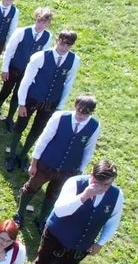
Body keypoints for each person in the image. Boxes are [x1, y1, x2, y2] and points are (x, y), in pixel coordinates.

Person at [21, 160, 123, 264]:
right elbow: (60, 211)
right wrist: (84, 196)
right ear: (91, 175)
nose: (102, 188)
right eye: (98, 182)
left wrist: (100, 242)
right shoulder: (75, 183)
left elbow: (113, 220)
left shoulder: (116, 195)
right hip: (57, 235)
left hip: (82, 242)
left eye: (106, 184)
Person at [15, 95, 99, 227]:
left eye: (86, 113)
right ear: (75, 106)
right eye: (79, 111)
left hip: (68, 169)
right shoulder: (59, 117)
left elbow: (88, 150)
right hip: (46, 164)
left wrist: (80, 170)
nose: (81, 115)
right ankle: (19, 214)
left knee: (53, 195)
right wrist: (34, 163)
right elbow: (44, 140)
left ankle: (41, 219)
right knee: (31, 187)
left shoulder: (94, 126)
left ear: (92, 112)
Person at [8, 30, 80, 171]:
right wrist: (22, 103)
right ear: (57, 40)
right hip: (32, 98)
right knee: (20, 126)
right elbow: (26, 81)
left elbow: (68, 83)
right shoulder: (40, 57)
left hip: (50, 103)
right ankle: (11, 154)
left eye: (68, 45)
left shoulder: (74, 60)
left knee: (37, 130)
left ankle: (22, 156)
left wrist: (59, 107)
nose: (64, 47)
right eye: (62, 43)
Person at [0, 7, 54, 131]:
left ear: (48, 23)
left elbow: (42, 56)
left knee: (18, 95)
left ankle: (9, 118)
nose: (40, 25)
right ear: (35, 19)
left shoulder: (47, 36)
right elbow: (9, 51)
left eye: (44, 22)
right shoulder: (22, 32)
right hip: (14, 68)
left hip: (28, 73)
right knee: (5, 91)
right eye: (39, 21)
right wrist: (5, 68)